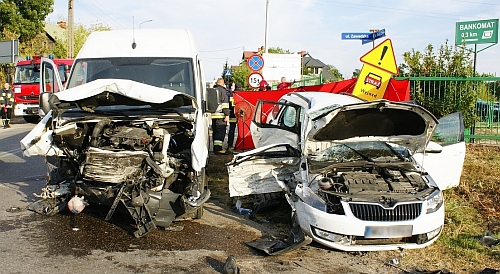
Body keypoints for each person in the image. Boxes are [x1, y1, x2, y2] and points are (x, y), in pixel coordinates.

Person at [211, 78, 230, 154]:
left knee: (215, 132)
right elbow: (225, 104)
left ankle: (215, 148)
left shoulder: (212, 90)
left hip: (213, 115)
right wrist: (227, 114)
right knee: (220, 132)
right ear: (222, 83)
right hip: (221, 115)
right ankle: (218, 149)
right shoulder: (222, 91)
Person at [226, 83, 241, 153]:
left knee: (232, 129)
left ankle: (230, 145)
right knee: (242, 130)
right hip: (242, 114)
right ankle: (241, 145)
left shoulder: (231, 94)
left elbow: (230, 104)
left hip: (232, 114)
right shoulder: (243, 93)